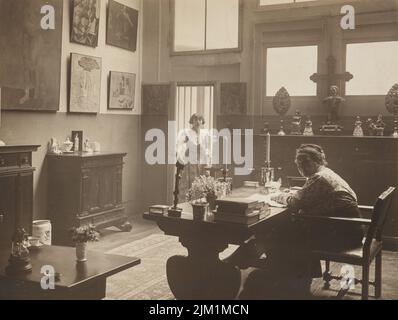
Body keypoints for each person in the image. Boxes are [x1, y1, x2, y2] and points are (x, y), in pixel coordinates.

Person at [226, 144, 364, 297]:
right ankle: (291, 275)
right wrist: (295, 195)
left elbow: (295, 203)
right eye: (298, 164)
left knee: (279, 231)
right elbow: (308, 198)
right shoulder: (327, 173)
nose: (301, 167)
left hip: (342, 235)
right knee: (283, 229)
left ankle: (262, 266)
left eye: (305, 163)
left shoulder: (320, 177)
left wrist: (279, 196)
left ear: (317, 161)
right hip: (348, 230)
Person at [176, 113, 211, 202]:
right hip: (189, 163)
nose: (198, 122)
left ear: (202, 121)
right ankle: (185, 205)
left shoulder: (205, 133)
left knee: (201, 185)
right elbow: (180, 146)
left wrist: (207, 162)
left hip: (201, 163)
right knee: (188, 186)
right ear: (192, 121)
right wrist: (185, 152)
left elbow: (207, 149)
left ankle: (199, 205)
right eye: (195, 119)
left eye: (200, 119)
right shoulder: (186, 132)